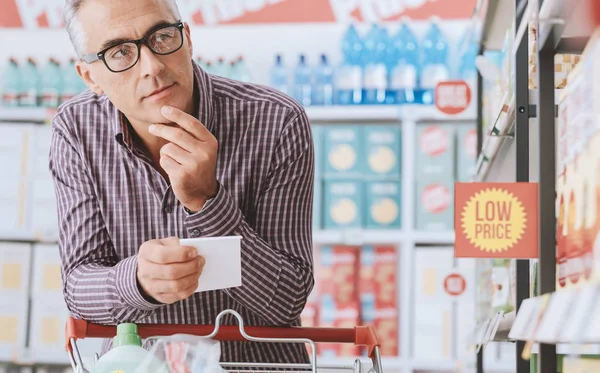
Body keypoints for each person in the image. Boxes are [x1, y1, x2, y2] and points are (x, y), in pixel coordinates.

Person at [50, 0, 315, 364]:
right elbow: (79, 286)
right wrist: (138, 281)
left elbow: (287, 301)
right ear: (90, 76)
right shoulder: (76, 129)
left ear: (187, 38)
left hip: (254, 365)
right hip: (142, 366)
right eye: (120, 52)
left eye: (161, 37)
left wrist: (207, 201)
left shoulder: (276, 120)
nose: (153, 66)